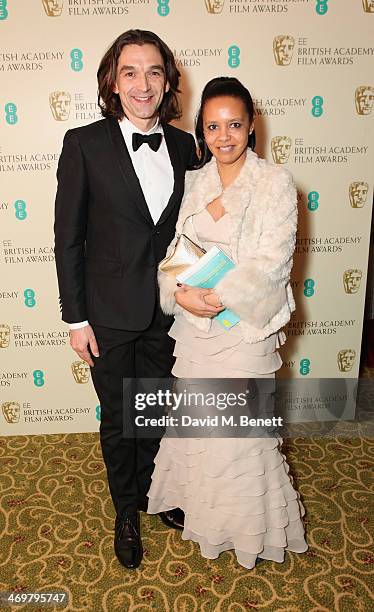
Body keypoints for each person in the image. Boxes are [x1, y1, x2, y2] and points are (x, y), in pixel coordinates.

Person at [147, 77, 308, 569]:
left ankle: (247, 530)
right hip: (196, 329)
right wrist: (179, 293)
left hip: (245, 328)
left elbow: (273, 263)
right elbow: (178, 251)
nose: (224, 136)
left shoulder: (275, 182)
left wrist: (216, 297)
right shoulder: (196, 180)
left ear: (251, 125)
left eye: (234, 124)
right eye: (213, 126)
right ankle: (203, 512)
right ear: (201, 130)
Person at [54, 29, 197, 569]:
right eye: (131, 72)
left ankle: (153, 496)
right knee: (119, 418)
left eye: (154, 71)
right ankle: (125, 512)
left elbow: (193, 232)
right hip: (108, 314)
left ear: (167, 82)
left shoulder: (186, 146)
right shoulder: (84, 144)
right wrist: (77, 319)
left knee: (157, 410)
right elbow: (68, 238)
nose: (143, 83)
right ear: (113, 81)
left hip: (169, 311)